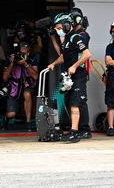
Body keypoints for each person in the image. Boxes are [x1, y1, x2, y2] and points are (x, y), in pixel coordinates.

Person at [48, 14, 92, 143]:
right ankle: (73, 131)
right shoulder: (66, 39)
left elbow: (87, 54)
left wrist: (74, 66)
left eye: (59, 27)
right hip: (69, 77)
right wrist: (54, 64)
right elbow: (63, 57)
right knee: (69, 103)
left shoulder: (76, 37)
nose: (58, 30)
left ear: (67, 25)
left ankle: (74, 132)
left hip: (78, 75)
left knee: (74, 104)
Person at [1, 42, 38, 131]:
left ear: (28, 50)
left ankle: (28, 122)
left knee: (27, 94)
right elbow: (5, 77)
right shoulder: (10, 60)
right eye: (21, 49)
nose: (23, 51)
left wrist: (25, 64)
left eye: (25, 49)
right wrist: (12, 63)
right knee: (11, 114)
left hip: (27, 85)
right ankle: (5, 118)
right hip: (14, 86)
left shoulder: (32, 59)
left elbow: (35, 76)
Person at [69, 7, 92, 139]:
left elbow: (84, 53)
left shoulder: (83, 35)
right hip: (74, 72)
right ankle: (77, 128)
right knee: (75, 101)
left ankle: (85, 129)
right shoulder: (72, 36)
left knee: (80, 102)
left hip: (81, 71)